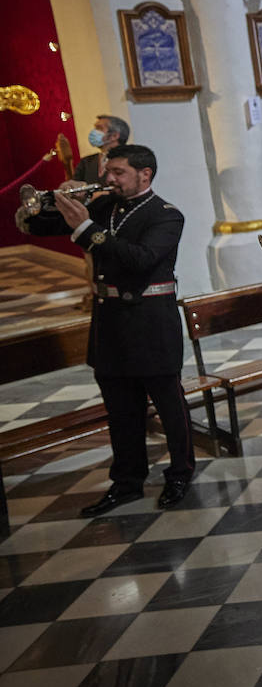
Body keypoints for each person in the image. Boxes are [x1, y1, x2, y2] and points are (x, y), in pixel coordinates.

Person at [17, 144, 195, 515]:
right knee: (120, 409)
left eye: (118, 172)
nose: (108, 179)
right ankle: (127, 481)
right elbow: (46, 226)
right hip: (110, 325)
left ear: (144, 175)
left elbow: (140, 259)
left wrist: (84, 226)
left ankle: (180, 473)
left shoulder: (166, 216)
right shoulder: (103, 206)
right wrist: (42, 207)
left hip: (150, 325)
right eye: (107, 172)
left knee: (169, 408)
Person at [74, 115, 131, 183]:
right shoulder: (86, 162)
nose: (93, 132)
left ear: (114, 136)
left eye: (99, 128)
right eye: (95, 128)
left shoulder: (130, 159)